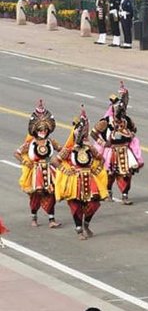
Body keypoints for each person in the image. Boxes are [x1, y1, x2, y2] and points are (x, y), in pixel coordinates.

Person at [55, 107, 108, 240]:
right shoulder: (69, 149)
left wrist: (96, 170)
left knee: (94, 203)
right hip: (74, 180)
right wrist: (66, 170)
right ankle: (79, 230)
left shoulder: (90, 147)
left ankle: (86, 223)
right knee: (75, 205)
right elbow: (55, 161)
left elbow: (101, 159)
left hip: (89, 179)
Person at [91, 85, 143, 205]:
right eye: (119, 111)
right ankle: (108, 191)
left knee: (126, 174)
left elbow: (134, 129)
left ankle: (125, 195)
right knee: (110, 173)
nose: (121, 113)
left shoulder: (127, 121)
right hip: (111, 150)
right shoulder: (105, 122)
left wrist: (130, 135)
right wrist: (103, 143)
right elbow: (93, 133)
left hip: (125, 150)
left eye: (123, 111)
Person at [14, 100, 62, 228]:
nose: (43, 131)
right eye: (40, 129)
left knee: (51, 193)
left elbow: (62, 150)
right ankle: (34, 217)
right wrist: (25, 162)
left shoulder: (51, 141)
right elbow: (17, 153)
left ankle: (52, 219)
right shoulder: (31, 143)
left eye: (45, 129)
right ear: (35, 130)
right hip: (36, 172)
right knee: (36, 194)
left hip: (49, 170)